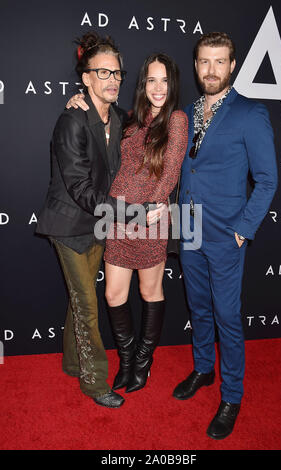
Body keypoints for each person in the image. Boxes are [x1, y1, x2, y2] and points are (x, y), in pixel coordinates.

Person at [36, 32, 161, 408]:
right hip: (69, 226)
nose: (112, 80)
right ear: (85, 78)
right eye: (102, 73)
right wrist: (134, 213)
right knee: (88, 304)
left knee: (81, 299)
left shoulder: (120, 118)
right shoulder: (71, 121)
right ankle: (94, 382)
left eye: (117, 73)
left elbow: (151, 122)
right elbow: (81, 190)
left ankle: (73, 362)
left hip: (99, 224)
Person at [174, 32, 278, 439]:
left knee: (227, 317)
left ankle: (232, 394)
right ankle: (203, 368)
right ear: (197, 65)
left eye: (220, 62)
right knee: (198, 307)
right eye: (204, 62)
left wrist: (243, 230)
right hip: (189, 229)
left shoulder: (250, 113)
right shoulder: (186, 112)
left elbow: (267, 180)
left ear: (232, 66)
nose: (211, 70)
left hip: (225, 233)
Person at [67, 53, 188, 394]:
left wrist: (157, 203)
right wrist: (78, 99)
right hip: (116, 217)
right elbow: (98, 116)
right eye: (152, 80)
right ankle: (127, 358)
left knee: (151, 291)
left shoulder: (176, 119)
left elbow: (172, 168)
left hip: (151, 219)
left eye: (165, 80)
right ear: (143, 84)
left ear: (173, 84)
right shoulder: (131, 118)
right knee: (113, 293)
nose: (158, 87)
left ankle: (143, 363)